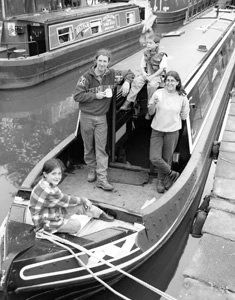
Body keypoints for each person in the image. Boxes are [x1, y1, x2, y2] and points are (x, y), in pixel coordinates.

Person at [73, 48, 134, 191]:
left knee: (101, 149)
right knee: (88, 147)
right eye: (99, 60)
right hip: (87, 117)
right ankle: (91, 169)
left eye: (105, 61)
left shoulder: (112, 74)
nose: (102, 64)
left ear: (108, 63)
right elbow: (77, 96)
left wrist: (126, 82)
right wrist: (96, 96)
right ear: (95, 61)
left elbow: (129, 72)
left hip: (101, 118)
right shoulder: (86, 77)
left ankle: (102, 179)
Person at [29, 158, 114, 235]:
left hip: (51, 211)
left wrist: (82, 201)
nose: (57, 177)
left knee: (79, 205)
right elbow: (66, 200)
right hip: (45, 224)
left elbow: (63, 198)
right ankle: (62, 229)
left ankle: (99, 214)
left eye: (59, 174)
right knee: (76, 225)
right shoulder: (48, 191)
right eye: (53, 174)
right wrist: (83, 199)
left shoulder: (43, 182)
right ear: (45, 174)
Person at [148, 71, 190, 193]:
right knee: (154, 157)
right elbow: (150, 112)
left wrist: (184, 110)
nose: (169, 83)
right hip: (157, 130)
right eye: (167, 80)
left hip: (172, 132)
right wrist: (153, 104)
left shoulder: (182, 97)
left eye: (172, 80)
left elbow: (183, 116)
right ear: (164, 82)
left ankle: (161, 181)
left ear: (177, 82)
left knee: (166, 158)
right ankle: (172, 174)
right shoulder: (158, 93)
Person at [120, 35, 167, 113]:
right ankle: (127, 102)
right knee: (137, 81)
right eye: (147, 43)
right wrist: (144, 74)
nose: (148, 45)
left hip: (156, 76)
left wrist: (152, 77)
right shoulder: (145, 54)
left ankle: (150, 106)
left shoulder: (162, 55)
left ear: (157, 44)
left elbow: (161, 69)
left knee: (152, 86)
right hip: (146, 74)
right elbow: (142, 66)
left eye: (150, 43)